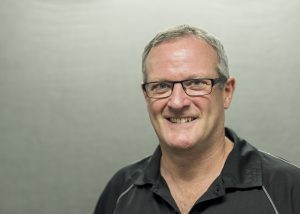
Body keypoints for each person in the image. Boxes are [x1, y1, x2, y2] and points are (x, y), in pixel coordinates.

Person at [94, 25, 300, 214]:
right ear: (146, 96)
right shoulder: (120, 191)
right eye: (161, 86)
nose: (176, 102)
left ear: (227, 92)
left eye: (196, 83)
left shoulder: (288, 189)